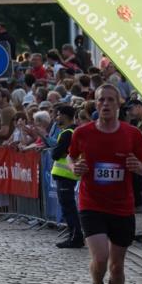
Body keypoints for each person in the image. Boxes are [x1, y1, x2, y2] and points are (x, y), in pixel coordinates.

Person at [68, 83, 142, 284]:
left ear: (118, 104)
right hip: (91, 203)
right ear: (96, 104)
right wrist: (74, 168)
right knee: (101, 257)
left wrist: (139, 167)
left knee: (116, 267)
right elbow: (71, 157)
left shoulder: (131, 134)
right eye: (100, 100)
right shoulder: (82, 133)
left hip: (122, 206)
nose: (105, 104)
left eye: (110, 100)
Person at [50, 105, 84, 249]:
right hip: (68, 175)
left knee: (68, 208)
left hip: (66, 175)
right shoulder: (72, 131)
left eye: (58, 115)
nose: (56, 117)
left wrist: (57, 152)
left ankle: (75, 237)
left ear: (64, 116)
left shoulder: (67, 133)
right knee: (68, 207)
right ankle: (74, 235)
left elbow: (55, 154)